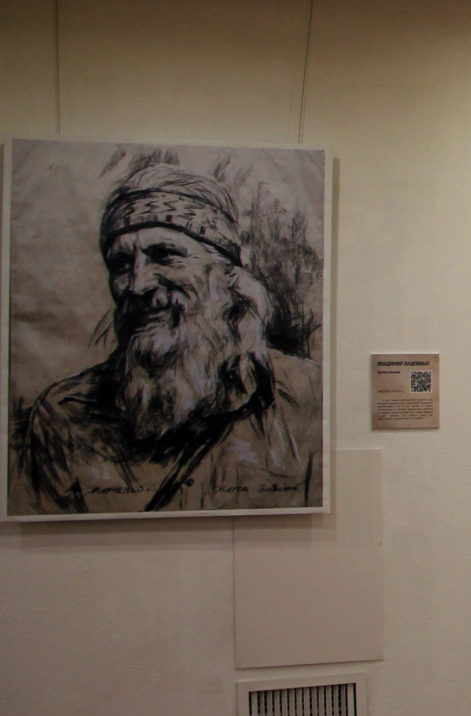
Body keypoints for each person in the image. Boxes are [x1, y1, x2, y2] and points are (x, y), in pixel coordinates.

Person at [10, 163, 322, 514]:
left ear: (225, 274)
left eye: (165, 255)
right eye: (121, 263)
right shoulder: (64, 415)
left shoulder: (307, 394)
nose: (137, 284)